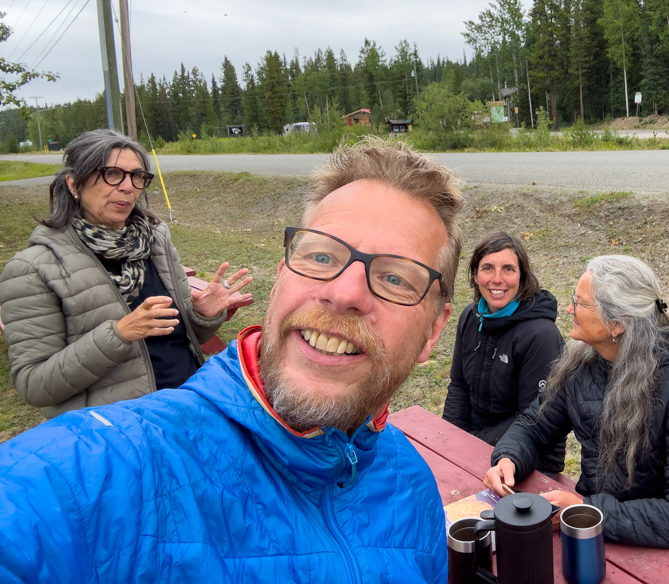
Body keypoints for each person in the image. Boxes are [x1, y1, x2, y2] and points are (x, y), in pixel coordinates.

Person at [0, 138, 465, 583]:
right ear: (282, 277)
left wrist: (201, 317)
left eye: (396, 279)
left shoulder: (413, 488)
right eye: (321, 255)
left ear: (433, 332)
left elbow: (181, 329)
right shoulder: (101, 477)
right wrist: (118, 334)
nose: (344, 293)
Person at [484, 255, 669, 565]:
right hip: (598, 526)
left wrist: (588, 511)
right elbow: (535, 425)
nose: (570, 309)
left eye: (580, 303)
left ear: (616, 323)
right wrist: (509, 457)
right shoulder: (584, 363)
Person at [0, 129, 251, 419]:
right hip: (117, 433)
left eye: (137, 176)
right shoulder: (34, 268)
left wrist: (202, 315)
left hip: (187, 408)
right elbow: (35, 385)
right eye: (112, 174)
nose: (128, 187)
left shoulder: (155, 239)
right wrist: (120, 334)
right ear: (73, 184)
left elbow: (182, 337)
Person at [442, 230, 565, 474]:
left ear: (522, 277)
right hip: (474, 443)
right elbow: (459, 386)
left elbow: (533, 417)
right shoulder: (471, 316)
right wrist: (450, 440)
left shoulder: (541, 335)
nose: (497, 279)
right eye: (487, 268)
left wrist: (472, 445)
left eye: (508, 269)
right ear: (475, 275)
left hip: (526, 456)